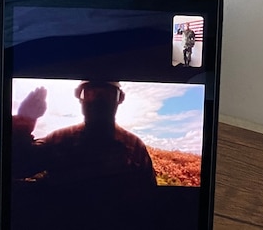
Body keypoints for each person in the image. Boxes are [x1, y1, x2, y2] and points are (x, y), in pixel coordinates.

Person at [10, 82, 157, 228]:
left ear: (120, 99)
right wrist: (25, 123)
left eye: (107, 94)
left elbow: (148, 201)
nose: (99, 100)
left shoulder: (134, 146)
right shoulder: (60, 139)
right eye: (91, 93)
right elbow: (19, 166)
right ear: (80, 98)